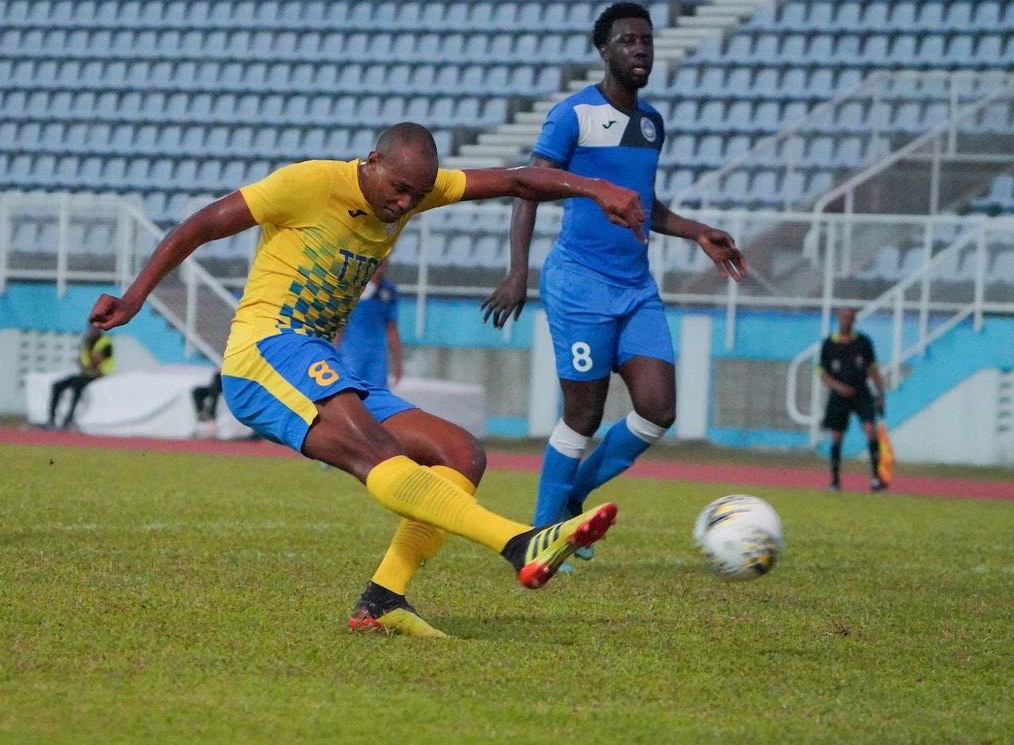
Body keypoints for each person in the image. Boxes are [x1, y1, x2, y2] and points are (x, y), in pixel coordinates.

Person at [89, 122, 647, 638]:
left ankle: (382, 601)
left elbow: (516, 180)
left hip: (319, 359)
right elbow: (202, 224)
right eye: (399, 189)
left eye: (416, 195)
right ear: (372, 161)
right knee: (378, 453)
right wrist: (135, 297)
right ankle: (520, 543)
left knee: (461, 453)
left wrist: (594, 188)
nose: (405, 204)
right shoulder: (309, 183)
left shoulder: (415, 189)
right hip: (265, 350)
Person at [480, 2, 748, 544]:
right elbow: (528, 187)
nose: (640, 49)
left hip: (635, 289)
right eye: (628, 40)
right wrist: (517, 273)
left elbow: (644, 204)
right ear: (604, 50)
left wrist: (698, 231)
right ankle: (541, 534)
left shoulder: (651, 125)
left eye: (646, 40)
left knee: (658, 409)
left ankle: (574, 495)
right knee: (584, 414)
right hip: (579, 285)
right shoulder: (573, 115)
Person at [819, 306, 888, 492]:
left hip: (861, 393)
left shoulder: (863, 342)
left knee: (870, 430)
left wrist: (881, 395)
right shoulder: (829, 344)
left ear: (854, 320)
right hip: (839, 396)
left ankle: (876, 480)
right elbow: (823, 374)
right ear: (838, 318)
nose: (846, 320)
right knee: (836, 437)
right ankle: (835, 482)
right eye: (843, 316)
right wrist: (839, 387)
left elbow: (873, 370)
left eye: (850, 317)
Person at [335, 260, 403, 389]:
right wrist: (333, 352)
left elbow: (392, 328)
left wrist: (398, 364)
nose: (381, 266)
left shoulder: (388, 291)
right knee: (350, 393)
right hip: (350, 354)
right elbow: (339, 325)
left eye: (385, 261)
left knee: (376, 398)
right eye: (379, 261)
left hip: (376, 358)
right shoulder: (352, 287)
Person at [47, 322, 115, 429]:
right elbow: (81, 360)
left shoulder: (105, 342)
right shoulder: (86, 342)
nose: (91, 330)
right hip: (86, 373)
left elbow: (96, 361)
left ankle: (69, 418)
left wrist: (88, 364)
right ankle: (51, 419)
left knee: (77, 384)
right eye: (90, 328)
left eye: (94, 328)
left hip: (100, 374)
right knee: (57, 385)